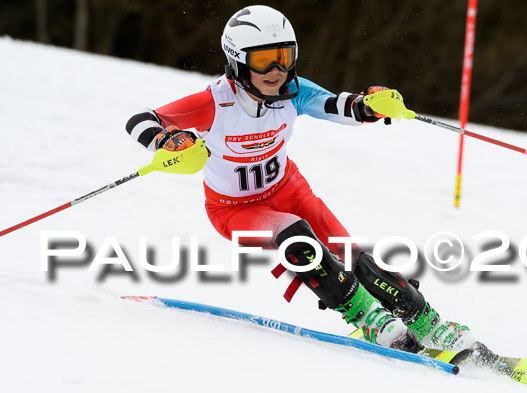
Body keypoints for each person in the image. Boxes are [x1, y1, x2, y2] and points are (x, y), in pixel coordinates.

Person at [125, 5, 479, 355]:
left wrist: (371, 105)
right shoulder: (215, 103)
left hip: (289, 190)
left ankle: (431, 326)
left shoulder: (293, 91)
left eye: (284, 55)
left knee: (356, 259)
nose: (277, 70)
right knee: (296, 236)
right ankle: (372, 321)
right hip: (233, 210)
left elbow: (340, 105)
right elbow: (142, 119)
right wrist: (166, 140)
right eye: (264, 60)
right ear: (237, 60)